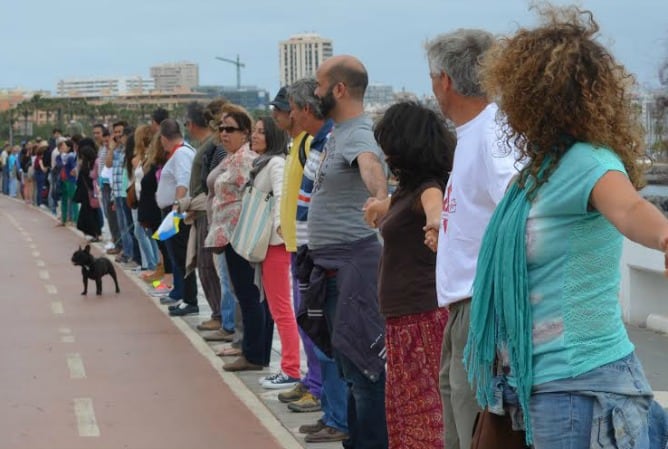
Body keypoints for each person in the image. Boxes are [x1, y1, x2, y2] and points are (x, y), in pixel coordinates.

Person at [463, 7, 668, 448]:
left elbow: (631, 209)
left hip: (580, 388)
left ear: (533, 96)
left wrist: (665, 236)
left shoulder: (588, 161)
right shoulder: (538, 173)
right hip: (531, 384)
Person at [424, 29, 519, 449]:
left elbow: (520, 207)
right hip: (465, 304)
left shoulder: (492, 134)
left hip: (480, 309)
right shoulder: (477, 132)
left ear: (444, 79)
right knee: (462, 425)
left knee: (476, 430)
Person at [305, 54, 389, 449]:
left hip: (352, 266)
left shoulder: (356, 133)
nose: (315, 93)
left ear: (339, 89)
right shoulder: (338, 130)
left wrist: (379, 195)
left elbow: (370, 163)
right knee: (349, 366)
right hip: (334, 267)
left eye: (320, 86)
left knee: (364, 370)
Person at [364, 102, 455, 449]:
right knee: (406, 416)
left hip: (423, 319)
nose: (385, 154)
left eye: (389, 145)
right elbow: (389, 208)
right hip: (402, 321)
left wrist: (435, 226)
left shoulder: (428, 188)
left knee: (426, 416)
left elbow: (436, 209)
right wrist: (375, 209)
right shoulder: (405, 191)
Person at [288, 77, 350, 443]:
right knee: (319, 335)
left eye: (294, 109)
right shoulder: (317, 144)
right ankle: (332, 412)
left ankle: (339, 418)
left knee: (329, 340)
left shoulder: (332, 143)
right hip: (311, 254)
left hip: (325, 258)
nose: (293, 116)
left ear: (307, 109)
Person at [205, 106, 273, 372]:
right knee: (247, 294)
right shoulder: (233, 157)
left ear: (245, 133)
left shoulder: (245, 159)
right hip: (230, 235)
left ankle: (254, 354)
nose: (224, 134)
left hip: (240, 235)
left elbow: (251, 194)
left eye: (230, 129)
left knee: (249, 295)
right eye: (221, 128)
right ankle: (256, 351)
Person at [271, 83, 323, 411]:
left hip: (304, 247)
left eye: (282, 108)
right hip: (293, 244)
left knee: (310, 319)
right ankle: (311, 379)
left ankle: (317, 386)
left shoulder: (307, 143)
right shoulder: (295, 144)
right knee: (305, 318)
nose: (277, 115)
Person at [247, 116, 302, 389]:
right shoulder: (261, 163)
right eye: (254, 131)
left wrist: (281, 226)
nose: (254, 136)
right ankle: (290, 368)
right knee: (277, 306)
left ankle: (291, 368)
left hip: (276, 245)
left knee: (281, 308)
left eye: (261, 132)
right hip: (267, 245)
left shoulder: (276, 163)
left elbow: (282, 195)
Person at [175, 102, 222, 332]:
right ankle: (219, 313)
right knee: (204, 265)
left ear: (192, 124)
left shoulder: (211, 145)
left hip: (205, 212)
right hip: (200, 209)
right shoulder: (205, 146)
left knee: (207, 266)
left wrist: (195, 202)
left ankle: (220, 314)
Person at [156, 119, 198, 317]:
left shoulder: (180, 153)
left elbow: (183, 181)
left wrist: (176, 209)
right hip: (176, 210)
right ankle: (184, 295)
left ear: (164, 138)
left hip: (177, 212)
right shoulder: (184, 151)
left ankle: (190, 299)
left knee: (182, 258)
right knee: (178, 257)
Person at [132, 125, 159, 274]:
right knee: (147, 233)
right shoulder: (142, 157)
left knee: (144, 232)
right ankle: (154, 264)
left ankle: (152, 264)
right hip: (140, 200)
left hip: (148, 201)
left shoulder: (150, 158)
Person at [75, 139, 102, 241]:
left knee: (90, 214)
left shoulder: (92, 164)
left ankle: (95, 233)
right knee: (90, 214)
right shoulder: (88, 165)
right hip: (88, 192)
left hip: (90, 192)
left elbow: (93, 176)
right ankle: (95, 233)